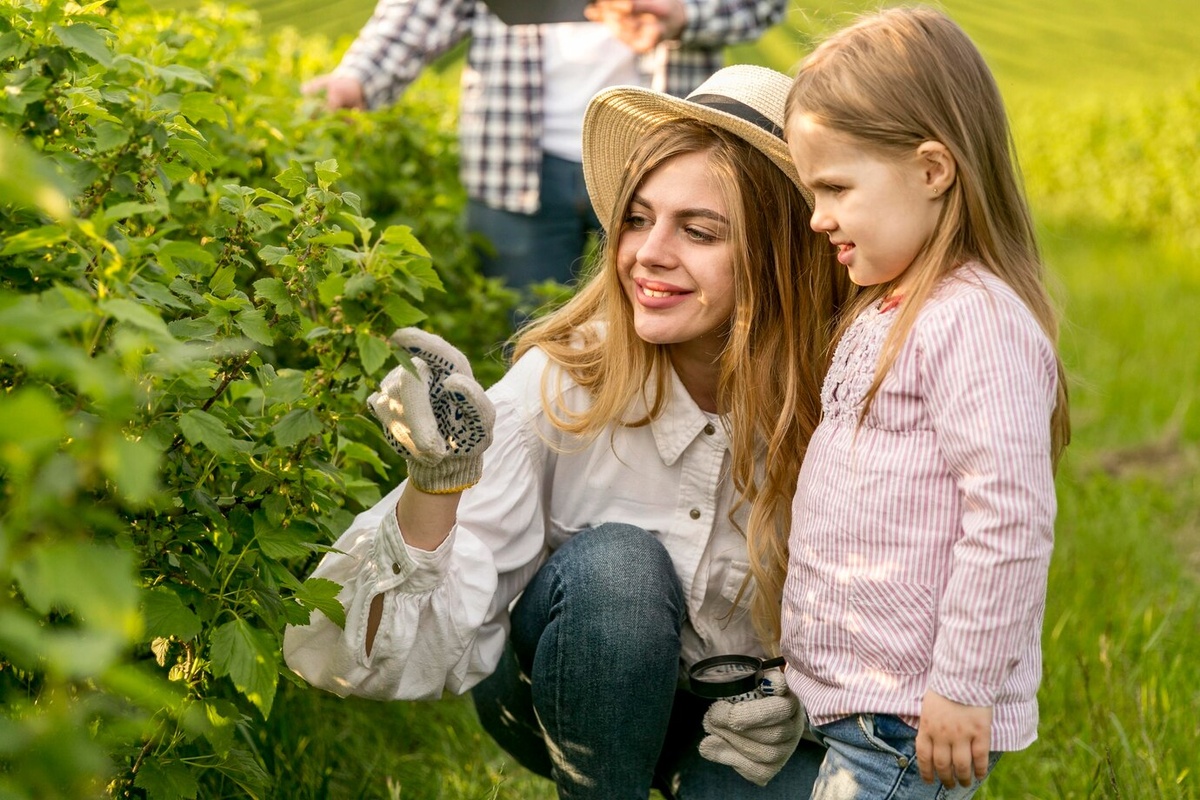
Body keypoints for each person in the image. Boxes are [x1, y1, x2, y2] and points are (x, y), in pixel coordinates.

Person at [283, 64, 851, 797]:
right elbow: (340, 656)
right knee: (618, 566)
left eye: (699, 231)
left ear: (783, 254)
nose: (647, 252)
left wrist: (798, 704)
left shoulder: (850, 401)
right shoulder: (569, 383)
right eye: (639, 219)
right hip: (559, 694)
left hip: (736, 732)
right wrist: (436, 488)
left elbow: (921, 631)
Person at [777, 7, 1072, 800]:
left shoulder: (971, 318)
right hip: (869, 708)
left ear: (933, 169)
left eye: (836, 186)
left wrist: (965, 686)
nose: (818, 216)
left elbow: (1009, 515)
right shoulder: (889, 307)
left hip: (912, 714)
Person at [302, 0, 787, 295]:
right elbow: (421, 12)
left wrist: (684, 12)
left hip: (657, 164)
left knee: (663, 337)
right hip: (514, 163)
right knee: (524, 337)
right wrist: (357, 80)